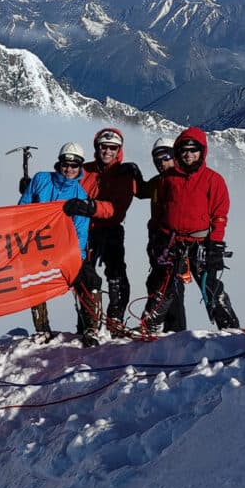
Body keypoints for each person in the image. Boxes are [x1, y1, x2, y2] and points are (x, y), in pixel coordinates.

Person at [140, 127, 240, 332]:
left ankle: (230, 328)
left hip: (201, 242)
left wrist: (215, 244)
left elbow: (220, 215)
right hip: (172, 241)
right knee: (164, 287)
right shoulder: (168, 179)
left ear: (202, 152)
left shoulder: (213, 180)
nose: (188, 154)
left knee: (209, 286)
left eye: (193, 150)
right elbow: (160, 210)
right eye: (184, 150)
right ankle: (149, 327)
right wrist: (157, 238)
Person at [62, 127, 142, 339]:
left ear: (119, 150)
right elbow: (64, 183)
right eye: (104, 147)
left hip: (110, 228)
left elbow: (117, 208)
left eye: (113, 148)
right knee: (84, 276)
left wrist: (91, 207)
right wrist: (33, 187)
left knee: (116, 275)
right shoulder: (85, 170)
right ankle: (88, 322)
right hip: (85, 231)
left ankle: (115, 319)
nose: (107, 151)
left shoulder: (124, 174)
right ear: (97, 148)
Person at [19, 143, 102, 346]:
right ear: (59, 163)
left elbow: (81, 231)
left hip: (66, 251)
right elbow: (22, 208)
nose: (69, 169)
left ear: (80, 167)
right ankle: (42, 329)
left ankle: (92, 328)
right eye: (66, 164)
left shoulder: (80, 195)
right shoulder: (41, 179)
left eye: (75, 165)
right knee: (33, 280)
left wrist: (78, 259)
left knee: (90, 281)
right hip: (38, 246)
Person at [135, 137, 187, 332]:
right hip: (157, 241)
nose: (161, 163)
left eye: (166, 158)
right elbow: (141, 192)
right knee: (157, 283)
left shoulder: (181, 181)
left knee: (172, 286)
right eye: (157, 160)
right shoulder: (158, 181)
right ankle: (166, 330)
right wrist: (134, 174)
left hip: (174, 241)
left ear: (174, 157)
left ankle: (176, 331)